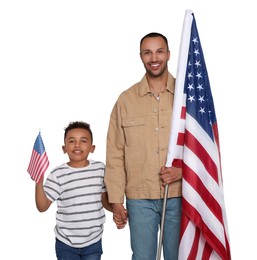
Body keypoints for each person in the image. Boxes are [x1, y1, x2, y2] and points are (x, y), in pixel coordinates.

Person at [104, 32, 182, 260]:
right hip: (139, 199)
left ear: (168, 54)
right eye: (147, 52)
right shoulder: (125, 100)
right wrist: (116, 200)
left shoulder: (187, 96)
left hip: (178, 195)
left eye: (159, 51)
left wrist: (183, 171)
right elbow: (115, 153)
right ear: (141, 57)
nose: (154, 57)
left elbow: (201, 147)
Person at [35, 121, 113, 260]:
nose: (77, 145)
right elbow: (42, 206)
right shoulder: (58, 174)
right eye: (72, 141)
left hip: (93, 240)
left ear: (92, 147)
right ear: (64, 148)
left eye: (83, 141)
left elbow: (104, 200)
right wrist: (39, 180)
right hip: (65, 242)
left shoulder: (100, 169)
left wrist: (118, 209)